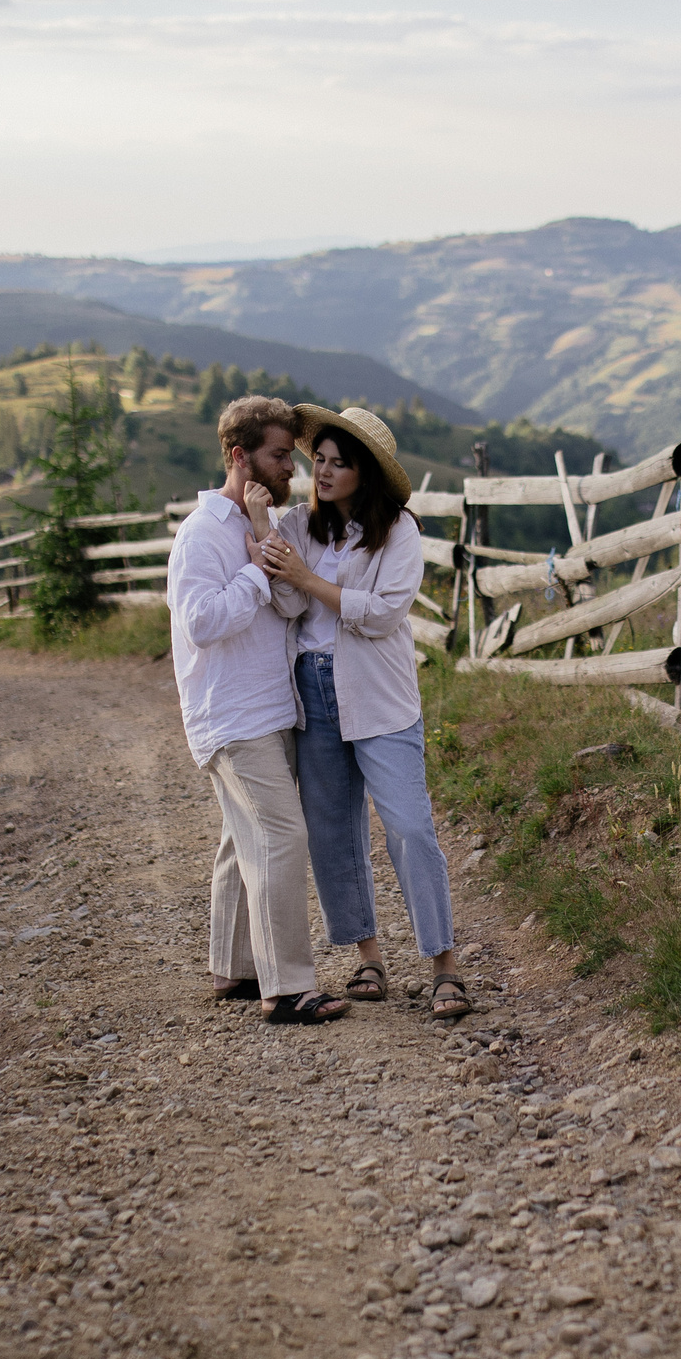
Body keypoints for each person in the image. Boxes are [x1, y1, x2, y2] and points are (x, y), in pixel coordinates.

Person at [255, 405, 470, 1021]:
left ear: (365, 472)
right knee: (332, 832)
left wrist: (307, 580)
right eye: (316, 460)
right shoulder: (299, 523)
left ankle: (444, 966)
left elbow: (383, 612)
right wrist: (280, 555)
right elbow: (288, 599)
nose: (321, 472)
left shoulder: (398, 531)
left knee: (409, 826)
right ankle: (368, 955)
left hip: (380, 695)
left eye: (337, 464)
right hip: (314, 689)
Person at [168, 395, 348, 1026]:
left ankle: (237, 966)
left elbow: (294, 610)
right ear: (241, 457)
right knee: (280, 835)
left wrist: (266, 548)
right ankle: (289, 987)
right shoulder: (201, 535)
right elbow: (200, 621)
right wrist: (250, 575)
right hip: (232, 715)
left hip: (271, 708)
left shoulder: (256, 525)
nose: (291, 468)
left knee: (239, 838)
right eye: (279, 455)